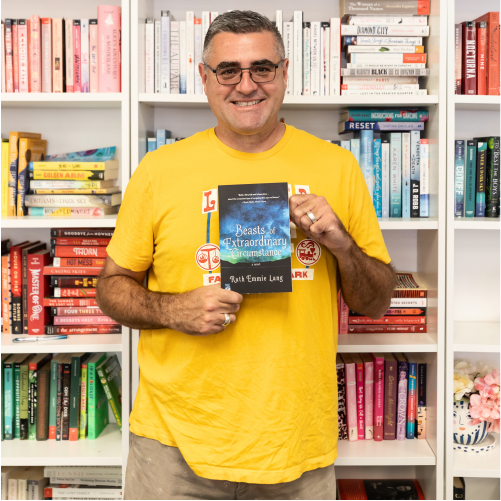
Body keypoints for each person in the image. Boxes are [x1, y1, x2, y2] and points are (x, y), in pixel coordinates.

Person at [97, 10, 396, 500]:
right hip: (174, 448)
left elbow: (377, 302)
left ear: (283, 73)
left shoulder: (337, 167)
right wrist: (175, 309)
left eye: (262, 68)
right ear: (204, 78)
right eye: (228, 71)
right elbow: (110, 288)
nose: (246, 85)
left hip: (295, 445)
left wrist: (341, 245)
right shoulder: (158, 171)